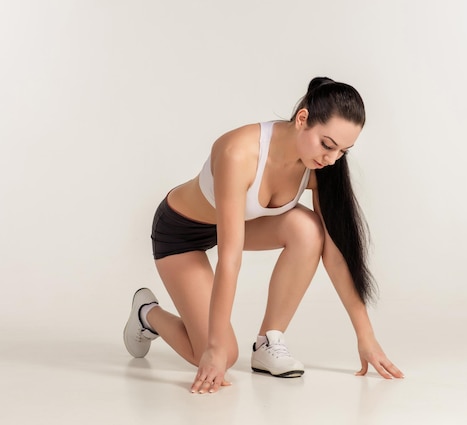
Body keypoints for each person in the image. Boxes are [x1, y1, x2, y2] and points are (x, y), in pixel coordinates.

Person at [123, 77, 404, 394]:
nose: (332, 159)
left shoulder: (319, 168)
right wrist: (214, 349)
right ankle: (147, 314)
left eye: (343, 151)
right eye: (327, 145)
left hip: (235, 224)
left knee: (310, 231)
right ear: (302, 119)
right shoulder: (238, 153)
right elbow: (231, 258)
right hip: (180, 233)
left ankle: (268, 341)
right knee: (222, 354)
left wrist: (365, 336)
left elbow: (336, 253)